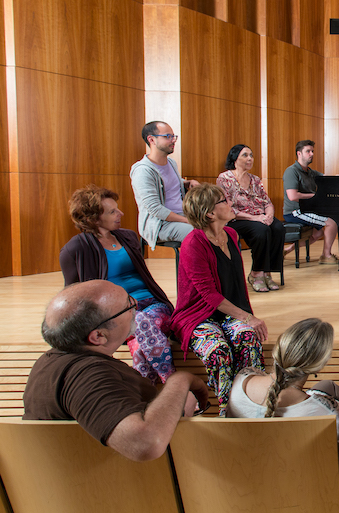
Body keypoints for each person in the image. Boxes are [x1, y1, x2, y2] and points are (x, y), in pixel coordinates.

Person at [23, 281, 208, 462]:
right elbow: (145, 444)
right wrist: (180, 380)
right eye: (127, 304)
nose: (136, 304)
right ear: (98, 336)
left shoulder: (50, 363)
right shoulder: (87, 377)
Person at [60, 185, 176, 383]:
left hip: (153, 304)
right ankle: (172, 383)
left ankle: (151, 390)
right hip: (117, 313)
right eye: (112, 211)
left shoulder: (128, 237)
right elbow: (71, 295)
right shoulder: (74, 249)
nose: (120, 213)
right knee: (139, 332)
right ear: (93, 218)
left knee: (140, 327)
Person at [172, 183, 267, 412]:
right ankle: (229, 409)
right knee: (218, 351)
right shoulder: (193, 243)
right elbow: (208, 295)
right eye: (224, 200)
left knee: (247, 339)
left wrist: (246, 319)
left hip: (228, 312)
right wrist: (247, 317)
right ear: (209, 213)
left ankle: (254, 403)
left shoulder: (231, 234)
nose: (230, 202)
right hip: (199, 315)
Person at [227, 318, 339, 418]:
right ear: (318, 367)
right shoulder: (326, 413)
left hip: (244, 456)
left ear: (278, 349)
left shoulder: (241, 382)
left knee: (327, 386)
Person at [217, 144, 286, 292]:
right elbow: (227, 208)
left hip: (259, 217)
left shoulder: (255, 179)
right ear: (235, 158)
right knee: (262, 230)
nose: (250, 158)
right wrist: (254, 218)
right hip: (237, 219)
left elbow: (267, 202)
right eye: (245, 155)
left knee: (278, 227)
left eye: (251, 155)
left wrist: (269, 215)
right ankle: (256, 273)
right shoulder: (225, 178)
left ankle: (267, 272)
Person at [130, 121, 199, 249]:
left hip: (182, 217)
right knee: (199, 235)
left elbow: (171, 185)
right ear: (151, 139)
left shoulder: (171, 163)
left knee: (222, 230)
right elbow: (155, 209)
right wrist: (188, 221)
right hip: (160, 224)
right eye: (168, 137)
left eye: (174, 136)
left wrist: (187, 183)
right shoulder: (142, 170)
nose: (173, 140)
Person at [283, 139, 338, 264]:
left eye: (312, 151)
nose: (311, 154)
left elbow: (326, 178)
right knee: (331, 223)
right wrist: (315, 196)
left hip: (306, 209)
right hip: (295, 211)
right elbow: (292, 196)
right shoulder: (291, 171)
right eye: (308, 151)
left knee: (316, 234)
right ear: (299, 153)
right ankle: (326, 256)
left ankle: (286, 250)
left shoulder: (310, 172)